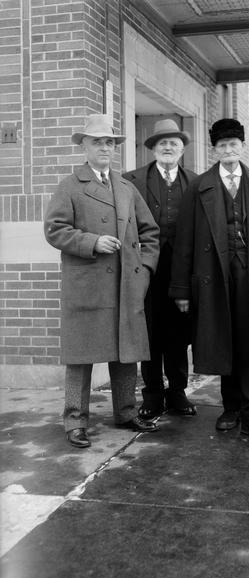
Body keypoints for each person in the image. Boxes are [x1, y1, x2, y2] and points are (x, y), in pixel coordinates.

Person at [44, 114, 160, 448]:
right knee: (80, 358)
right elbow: (55, 229)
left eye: (110, 142)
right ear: (84, 146)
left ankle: (126, 412)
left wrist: (144, 268)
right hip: (87, 285)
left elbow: (150, 231)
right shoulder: (70, 185)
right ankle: (75, 421)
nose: (105, 148)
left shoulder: (125, 186)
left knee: (125, 354)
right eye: (98, 142)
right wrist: (92, 242)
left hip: (125, 285)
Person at [169, 118, 249, 442]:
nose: (228, 150)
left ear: (241, 146)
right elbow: (184, 241)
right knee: (224, 340)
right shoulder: (199, 187)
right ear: (214, 150)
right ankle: (231, 409)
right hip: (213, 277)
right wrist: (182, 289)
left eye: (233, 144)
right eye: (222, 146)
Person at [123, 119, 198, 418]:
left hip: (182, 270)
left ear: (182, 150)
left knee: (179, 333)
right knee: (149, 332)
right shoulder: (132, 180)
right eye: (162, 143)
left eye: (174, 143)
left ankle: (178, 392)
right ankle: (152, 394)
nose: (168, 147)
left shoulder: (196, 181)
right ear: (153, 148)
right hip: (146, 269)